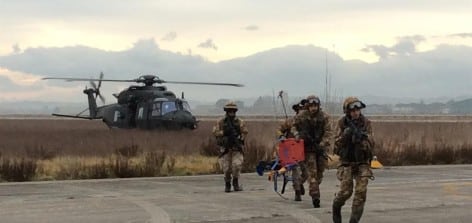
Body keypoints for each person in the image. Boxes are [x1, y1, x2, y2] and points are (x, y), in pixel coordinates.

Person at [332, 97, 374, 223]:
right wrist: (346, 136)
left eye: (358, 110)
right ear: (347, 111)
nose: (356, 112)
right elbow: (335, 147)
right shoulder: (341, 123)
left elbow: (373, 143)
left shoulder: (366, 123)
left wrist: (363, 141)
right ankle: (336, 207)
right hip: (347, 163)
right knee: (345, 192)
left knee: (360, 194)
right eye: (353, 110)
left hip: (362, 163)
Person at [291, 95, 332, 208]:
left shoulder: (324, 117)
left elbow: (328, 133)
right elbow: (293, 126)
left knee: (319, 175)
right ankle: (315, 196)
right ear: (308, 106)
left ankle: (309, 186)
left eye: (315, 105)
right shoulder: (301, 116)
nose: (313, 108)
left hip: (320, 148)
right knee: (312, 173)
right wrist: (297, 136)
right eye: (311, 106)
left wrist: (322, 144)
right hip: (308, 150)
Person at [213, 101, 248, 192]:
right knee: (226, 168)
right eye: (229, 111)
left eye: (233, 111)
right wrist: (224, 133)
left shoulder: (240, 122)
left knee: (236, 166)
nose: (231, 113)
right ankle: (227, 184)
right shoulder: (220, 121)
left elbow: (245, 132)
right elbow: (215, 132)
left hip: (236, 148)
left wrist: (240, 138)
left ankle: (235, 182)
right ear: (226, 111)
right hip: (225, 149)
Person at [275, 99, 307, 201]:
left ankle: (300, 183)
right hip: (292, 151)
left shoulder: (308, 123)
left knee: (306, 173)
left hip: (305, 151)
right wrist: (281, 137)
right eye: (300, 110)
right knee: (296, 170)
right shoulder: (290, 121)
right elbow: (279, 130)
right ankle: (297, 192)